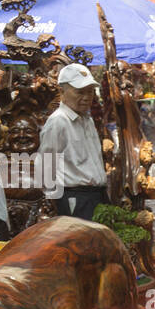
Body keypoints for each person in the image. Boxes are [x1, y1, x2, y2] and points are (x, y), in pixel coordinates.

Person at [38, 63, 108, 221]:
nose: (87, 97)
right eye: (80, 92)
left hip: (97, 196)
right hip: (75, 200)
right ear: (62, 92)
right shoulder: (58, 122)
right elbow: (45, 167)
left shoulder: (87, 120)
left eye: (90, 91)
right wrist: (57, 203)